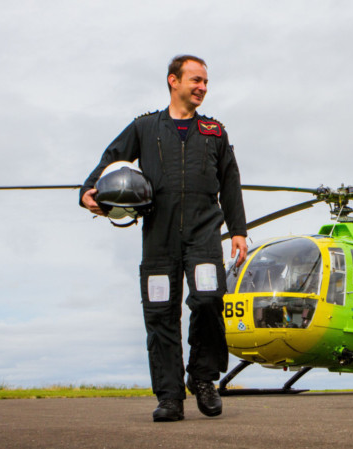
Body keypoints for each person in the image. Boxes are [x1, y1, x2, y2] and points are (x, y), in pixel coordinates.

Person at [80, 55, 248, 422]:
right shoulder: (145, 128)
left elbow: (230, 180)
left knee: (208, 301)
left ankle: (203, 378)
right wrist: (88, 189)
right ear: (173, 81)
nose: (202, 87)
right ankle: (170, 396)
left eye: (205, 82)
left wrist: (238, 231)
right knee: (160, 314)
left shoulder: (215, 132)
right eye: (196, 80)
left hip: (204, 233)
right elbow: (112, 157)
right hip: (158, 235)